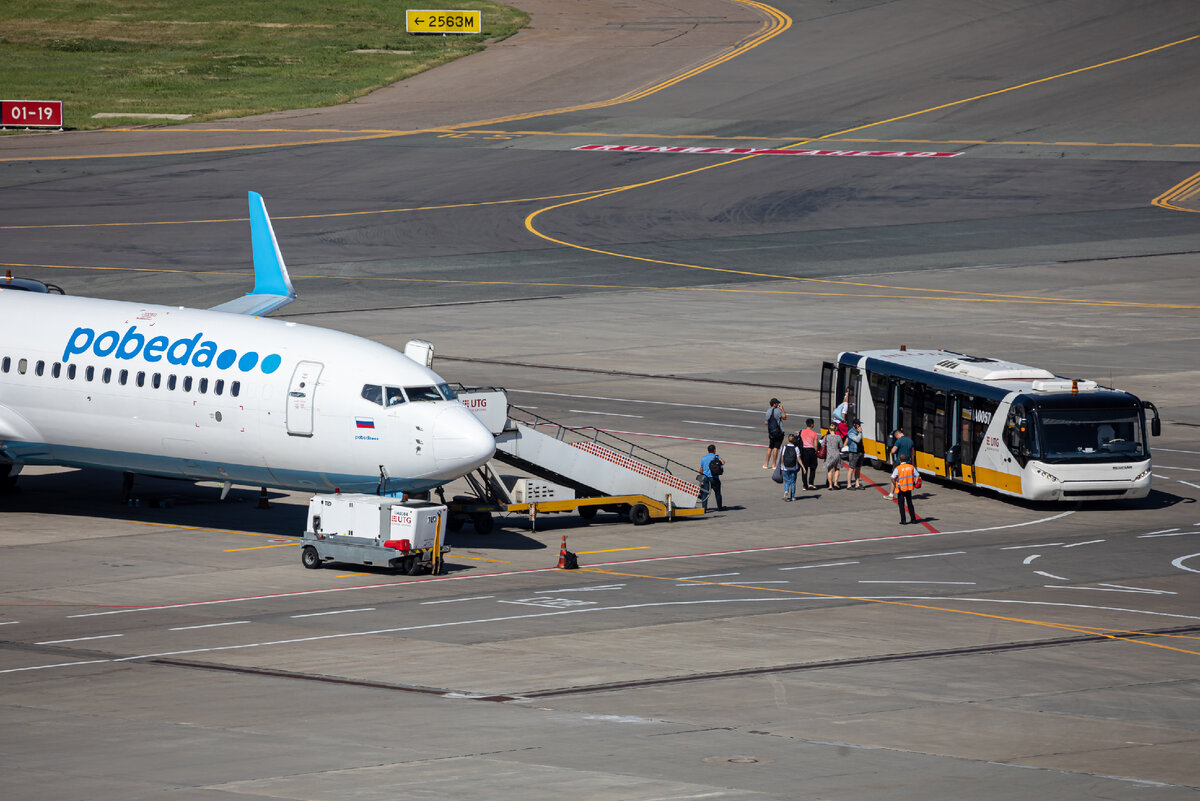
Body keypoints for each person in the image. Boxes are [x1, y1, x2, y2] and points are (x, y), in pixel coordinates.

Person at [890, 456, 921, 524]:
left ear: (900, 460)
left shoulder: (898, 468)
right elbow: (917, 475)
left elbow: (892, 477)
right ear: (906, 460)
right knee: (910, 503)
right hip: (909, 488)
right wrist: (914, 483)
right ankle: (913, 519)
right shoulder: (911, 467)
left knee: (901, 505)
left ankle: (903, 520)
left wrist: (895, 484)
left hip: (901, 488)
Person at [699, 444, 725, 511]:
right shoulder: (717, 457)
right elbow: (723, 462)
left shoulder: (704, 458)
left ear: (708, 450)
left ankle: (704, 508)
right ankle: (719, 507)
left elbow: (701, 469)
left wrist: (701, 477)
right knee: (717, 493)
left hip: (706, 478)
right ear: (714, 450)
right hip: (714, 478)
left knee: (705, 493)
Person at [763, 398, 787, 469]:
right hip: (778, 432)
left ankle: (766, 464)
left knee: (770, 447)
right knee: (776, 447)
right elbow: (784, 417)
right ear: (774, 404)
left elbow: (766, 422)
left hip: (771, 432)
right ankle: (774, 464)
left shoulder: (768, 411)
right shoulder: (778, 411)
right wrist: (782, 409)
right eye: (777, 403)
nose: (778, 404)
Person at [798, 418, 819, 490]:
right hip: (811, 451)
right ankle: (811, 483)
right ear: (812, 425)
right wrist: (816, 451)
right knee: (813, 467)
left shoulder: (801, 432)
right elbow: (816, 445)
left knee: (804, 468)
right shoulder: (814, 433)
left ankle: (805, 485)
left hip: (803, 451)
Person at [779, 434, 801, 501]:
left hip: (785, 467)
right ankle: (792, 497)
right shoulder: (796, 448)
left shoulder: (784, 447)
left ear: (788, 439)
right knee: (793, 482)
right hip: (794, 467)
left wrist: (781, 465)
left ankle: (786, 491)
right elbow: (798, 458)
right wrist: (803, 466)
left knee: (786, 481)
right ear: (794, 440)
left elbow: (782, 457)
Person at [844, 419, 865, 489]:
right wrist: (860, 432)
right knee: (851, 468)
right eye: (858, 424)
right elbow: (857, 440)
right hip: (853, 452)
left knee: (858, 468)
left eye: (860, 424)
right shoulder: (851, 432)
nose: (860, 426)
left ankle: (857, 484)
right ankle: (849, 485)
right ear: (854, 425)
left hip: (860, 452)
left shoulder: (858, 432)